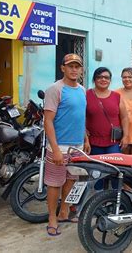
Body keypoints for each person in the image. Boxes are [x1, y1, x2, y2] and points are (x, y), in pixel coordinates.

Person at [43, 53, 89, 236]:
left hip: (77, 145)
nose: (74, 69)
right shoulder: (55, 89)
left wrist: (86, 139)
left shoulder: (82, 90)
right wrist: (55, 149)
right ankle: (52, 219)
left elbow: (80, 118)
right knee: (54, 184)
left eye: (77, 66)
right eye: (70, 66)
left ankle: (64, 211)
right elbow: (48, 121)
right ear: (63, 68)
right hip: (59, 146)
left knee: (71, 180)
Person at [86, 67, 129, 154]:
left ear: (110, 80)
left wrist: (126, 136)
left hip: (114, 142)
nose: (103, 79)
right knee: (96, 167)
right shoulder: (86, 95)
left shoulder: (116, 96)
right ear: (94, 80)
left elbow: (124, 117)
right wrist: (84, 136)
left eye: (106, 77)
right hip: (93, 142)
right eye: (99, 77)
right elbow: (80, 117)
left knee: (114, 166)